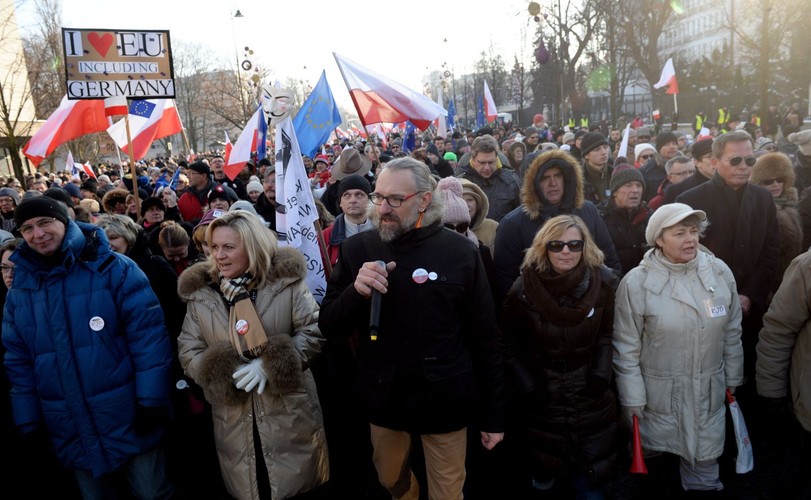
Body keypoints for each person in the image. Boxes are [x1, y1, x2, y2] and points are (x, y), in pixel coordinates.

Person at [318, 157, 505, 500]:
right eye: (379, 196)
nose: (382, 208)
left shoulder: (461, 251)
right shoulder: (358, 248)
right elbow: (328, 324)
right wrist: (355, 293)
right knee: (391, 480)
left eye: (395, 199)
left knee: (448, 493)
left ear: (423, 199)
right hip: (384, 396)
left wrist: (494, 415)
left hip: (446, 398)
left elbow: (486, 336)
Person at [2, 197, 174, 498]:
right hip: (68, 424)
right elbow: (19, 362)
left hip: (128, 415)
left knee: (152, 493)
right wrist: (28, 419)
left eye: (45, 222)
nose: (37, 234)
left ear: (64, 221)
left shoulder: (114, 268)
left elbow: (148, 338)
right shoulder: (20, 290)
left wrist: (151, 399)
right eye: (27, 228)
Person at [177, 211, 328, 499]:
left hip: (288, 412)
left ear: (252, 246)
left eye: (228, 247)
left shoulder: (286, 283)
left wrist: (271, 364)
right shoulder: (202, 294)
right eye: (214, 247)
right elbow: (189, 348)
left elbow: (313, 330)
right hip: (233, 418)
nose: (218, 255)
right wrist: (220, 374)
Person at [613, 203, 744, 492]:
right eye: (680, 233)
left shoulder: (718, 272)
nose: (691, 239)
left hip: (707, 393)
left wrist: (733, 376)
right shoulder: (637, 283)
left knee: (705, 471)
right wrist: (631, 397)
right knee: (657, 472)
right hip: (657, 399)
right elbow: (626, 347)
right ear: (659, 239)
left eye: (694, 231)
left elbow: (732, 330)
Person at [500, 215, 620, 498]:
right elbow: (508, 343)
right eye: (557, 245)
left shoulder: (602, 281)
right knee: (544, 473)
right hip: (543, 394)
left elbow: (606, 333)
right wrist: (529, 385)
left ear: (584, 246)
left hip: (589, 392)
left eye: (574, 244)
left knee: (590, 479)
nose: (566, 251)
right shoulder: (523, 288)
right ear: (544, 247)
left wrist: (601, 376)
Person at [677, 130, 780, 384]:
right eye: (735, 160)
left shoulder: (763, 197)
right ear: (714, 162)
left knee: (747, 377)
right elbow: (683, 255)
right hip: (704, 310)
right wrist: (720, 296)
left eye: (750, 160)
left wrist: (750, 294)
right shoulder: (690, 199)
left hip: (751, 308)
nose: (744, 167)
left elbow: (771, 250)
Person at [493, 150, 621, 299]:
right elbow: (505, 280)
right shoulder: (513, 223)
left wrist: (606, 298)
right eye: (545, 178)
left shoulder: (588, 211)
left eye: (558, 176)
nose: (553, 183)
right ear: (532, 182)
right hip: (538, 311)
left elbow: (609, 257)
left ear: (567, 178)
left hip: (588, 306)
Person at [749, 152, 803, 294]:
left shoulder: (791, 203)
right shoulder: (756, 209)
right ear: (758, 182)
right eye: (768, 181)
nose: (776, 184)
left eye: (780, 179)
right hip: (769, 281)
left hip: (793, 275)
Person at [596, 164, 652, 276]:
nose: (635, 190)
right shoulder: (599, 217)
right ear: (615, 191)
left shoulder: (649, 216)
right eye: (628, 185)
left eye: (639, 185)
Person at [456, 135, 521, 222]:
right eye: (482, 163)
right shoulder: (461, 183)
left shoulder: (511, 181)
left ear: (496, 159)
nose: (487, 168)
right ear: (473, 159)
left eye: (491, 162)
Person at [322, 174, 373, 266]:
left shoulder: (384, 231)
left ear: (369, 199)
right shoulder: (325, 238)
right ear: (340, 202)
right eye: (346, 195)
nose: (353, 200)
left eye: (359, 195)